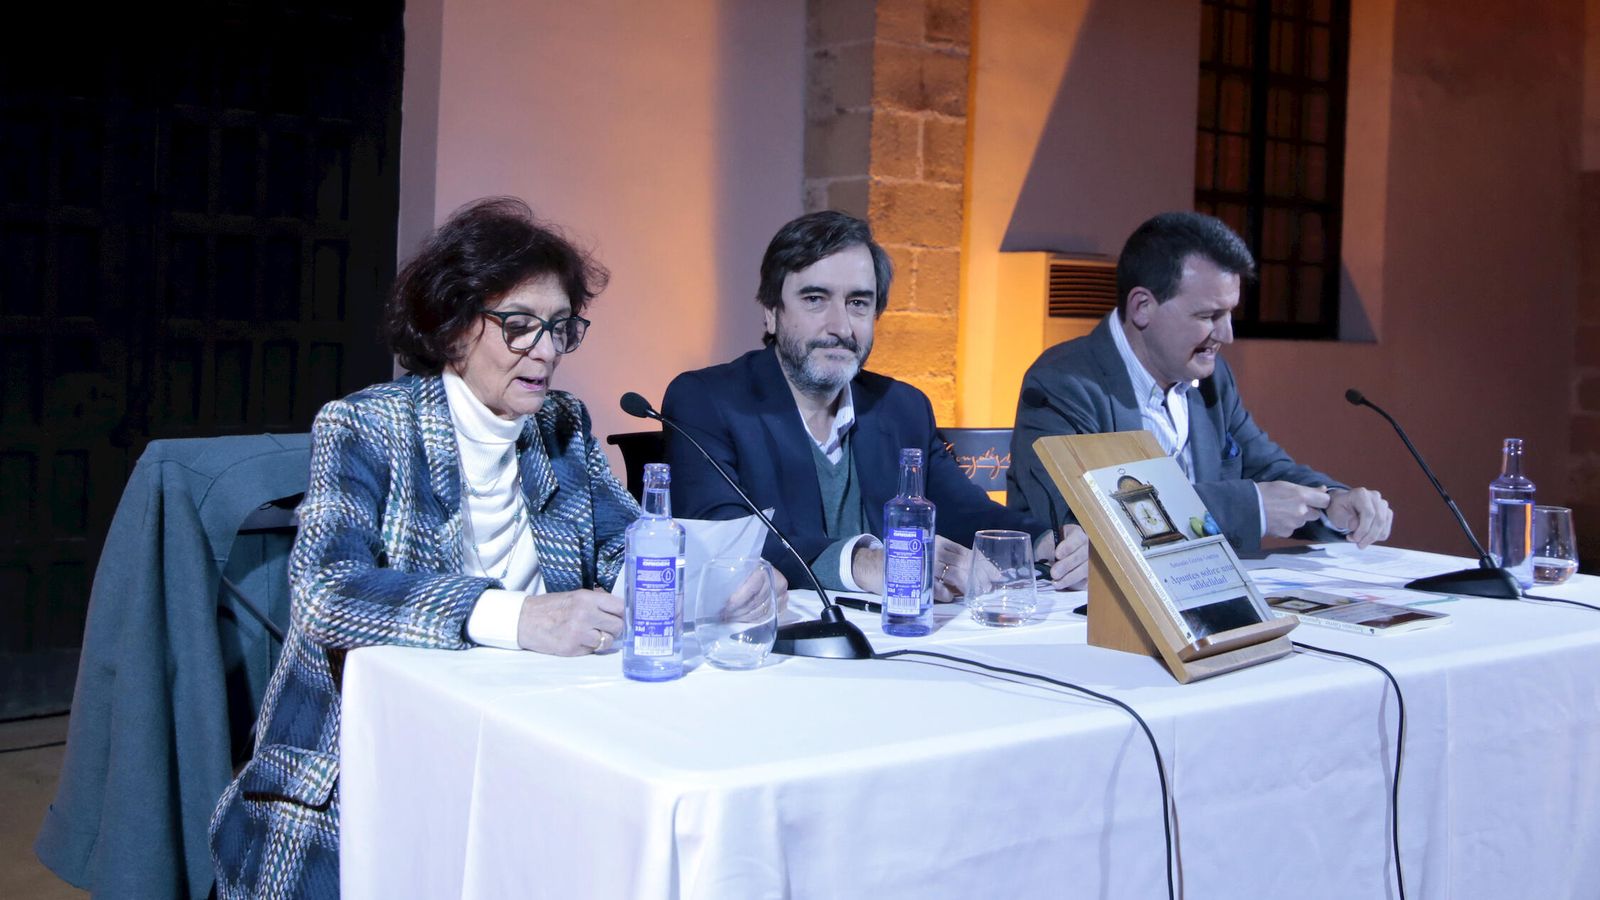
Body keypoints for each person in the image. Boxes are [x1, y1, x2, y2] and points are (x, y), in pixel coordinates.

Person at [208, 197, 639, 898]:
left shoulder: (562, 424)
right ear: (452, 328)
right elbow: (327, 594)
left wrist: (705, 569)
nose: (548, 351)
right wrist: (516, 617)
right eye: (520, 325)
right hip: (362, 767)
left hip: (522, 737)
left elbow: (626, 542)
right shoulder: (367, 423)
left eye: (561, 328)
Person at [663, 210, 1088, 599]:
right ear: (771, 313)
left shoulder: (901, 407)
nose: (840, 326)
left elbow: (962, 508)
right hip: (777, 647)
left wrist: (1047, 543)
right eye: (815, 299)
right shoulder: (706, 401)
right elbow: (723, 534)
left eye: (858, 303)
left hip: (894, 642)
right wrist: (863, 562)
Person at [1007, 210, 1392, 555]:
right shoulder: (1063, 383)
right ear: (1143, 307)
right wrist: (1250, 507)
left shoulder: (1210, 377)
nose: (1226, 334)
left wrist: (1336, 503)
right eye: (1209, 315)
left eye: (1230, 314)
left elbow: (1264, 467)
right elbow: (1092, 515)